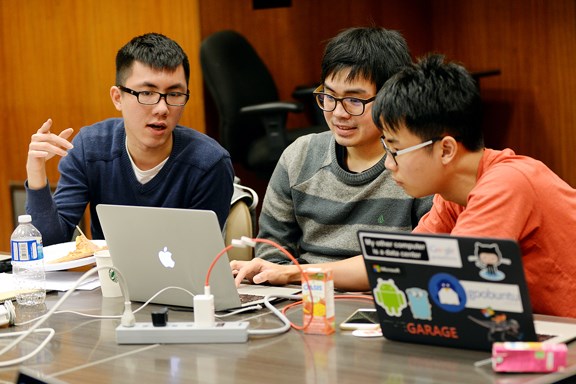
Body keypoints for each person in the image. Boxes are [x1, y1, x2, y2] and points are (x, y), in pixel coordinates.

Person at [231, 27, 432, 291]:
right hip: (305, 303)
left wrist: (298, 275)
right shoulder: (299, 157)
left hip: (384, 302)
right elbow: (272, 254)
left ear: (390, 97)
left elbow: (421, 262)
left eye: (353, 100)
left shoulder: (417, 166)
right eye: (328, 96)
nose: (338, 113)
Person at [373, 54, 576, 317]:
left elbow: (457, 281)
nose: (389, 164)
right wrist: (307, 272)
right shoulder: (451, 194)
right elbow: (408, 263)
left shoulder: (507, 183)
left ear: (446, 149)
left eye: (396, 150)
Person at [25, 33, 235, 246]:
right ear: (118, 98)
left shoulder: (209, 163)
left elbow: (197, 258)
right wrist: (36, 174)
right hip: (107, 278)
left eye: (174, 94)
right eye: (146, 93)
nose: (162, 108)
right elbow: (48, 245)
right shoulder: (90, 148)